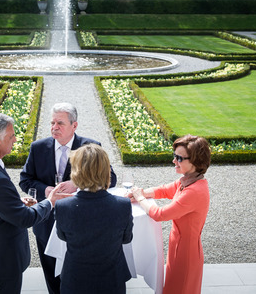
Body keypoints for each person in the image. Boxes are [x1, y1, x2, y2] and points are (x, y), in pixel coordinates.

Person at [0, 112, 68, 294]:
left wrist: (14, 201)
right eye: (11, 136)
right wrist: (50, 201)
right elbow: (25, 218)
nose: (15, 140)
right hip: (1, 263)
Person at [19, 102, 117, 294]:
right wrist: (47, 191)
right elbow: (25, 180)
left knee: (79, 274)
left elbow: (111, 179)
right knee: (52, 275)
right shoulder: (38, 148)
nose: (54, 127)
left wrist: (79, 183)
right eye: (52, 123)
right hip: (46, 222)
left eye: (60, 123)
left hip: (81, 223)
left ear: (74, 125)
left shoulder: (91, 147)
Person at [127, 134, 211, 294]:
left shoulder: (194, 191)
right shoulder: (188, 180)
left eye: (179, 158)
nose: (174, 161)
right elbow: (164, 190)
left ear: (195, 161)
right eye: (174, 156)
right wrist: (138, 193)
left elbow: (160, 214)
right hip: (178, 249)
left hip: (186, 254)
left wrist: (140, 197)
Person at [55, 144, 133, 294]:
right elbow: (126, 238)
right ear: (106, 171)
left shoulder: (63, 206)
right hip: (111, 280)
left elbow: (62, 236)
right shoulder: (123, 205)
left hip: (75, 280)